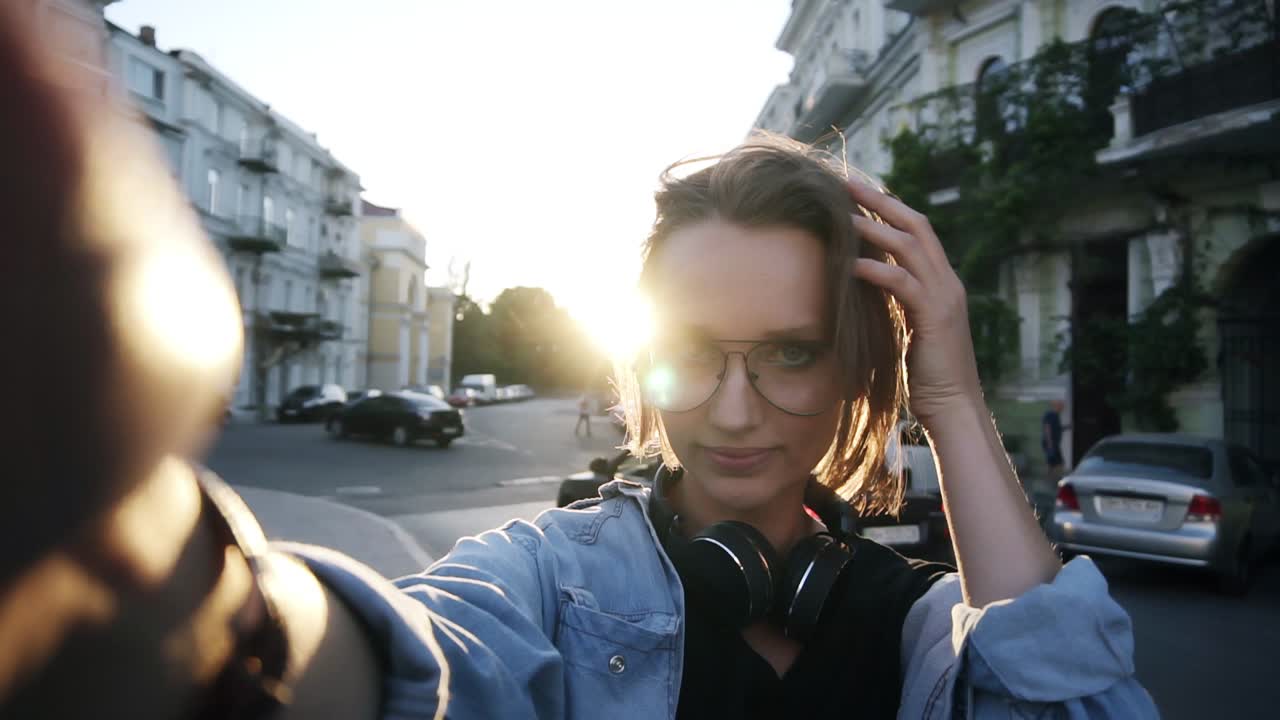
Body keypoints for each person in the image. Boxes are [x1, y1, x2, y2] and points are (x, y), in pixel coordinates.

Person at [0, 8, 1156, 717]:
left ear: (860, 368)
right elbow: (414, 672)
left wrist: (945, 387)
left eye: (791, 353)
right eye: (693, 354)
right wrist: (141, 561)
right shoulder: (544, 581)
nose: (734, 408)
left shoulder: (919, 624)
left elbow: (1075, 706)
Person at [1042, 398, 1067, 493]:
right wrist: (1050, 444)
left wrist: (1066, 427)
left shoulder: (1056, 415)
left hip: (1054, 444)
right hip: (1051, 444)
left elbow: (1057, 428)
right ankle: (1051, 483)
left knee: (1053, 464)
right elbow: (1047, 428)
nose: (1063, 408)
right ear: (1057, 406)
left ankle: (1052, 482)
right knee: (1055, 464)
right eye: (1061, 406)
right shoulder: (1050, 415)